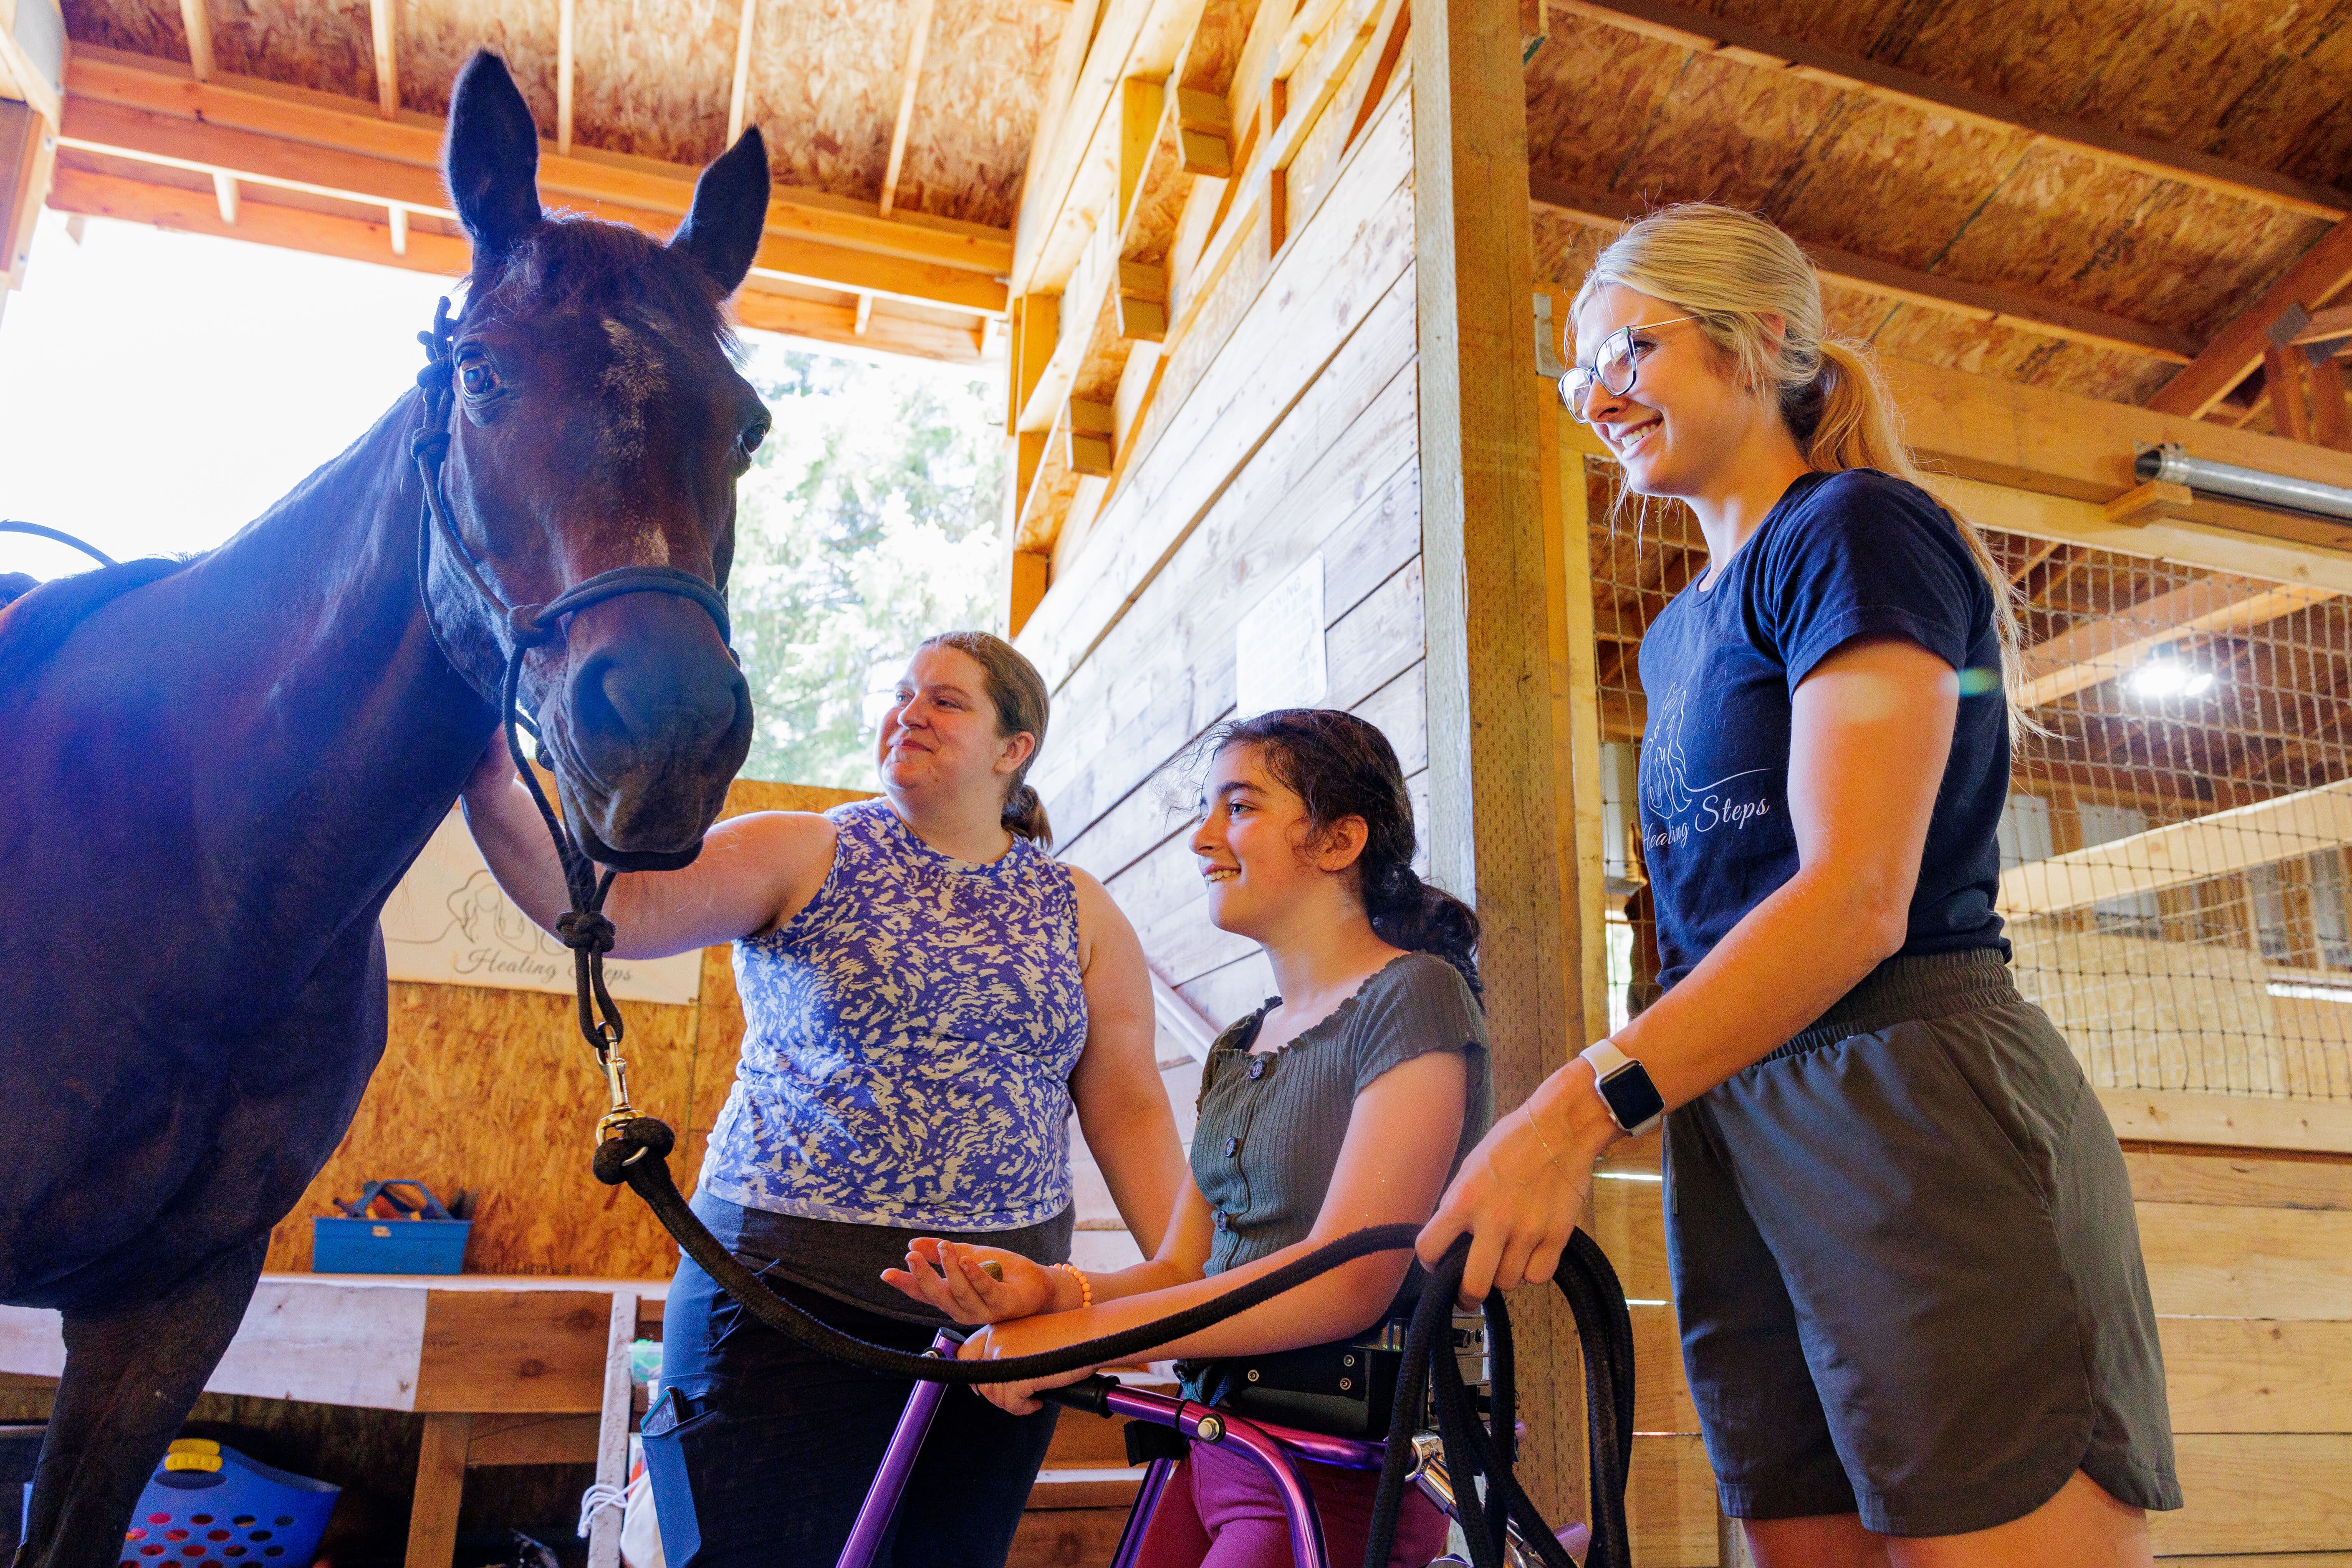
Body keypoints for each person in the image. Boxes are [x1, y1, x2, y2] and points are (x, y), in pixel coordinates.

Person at [1415, 203, 2181, 1568]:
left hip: (1907, 1094)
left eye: (1632, 347)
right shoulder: (1672, 634)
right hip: (1736, 1121)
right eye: (1579, 368)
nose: (1598, 390)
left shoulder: (1853, 530)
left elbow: (1851, 897)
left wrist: (1569, 1108)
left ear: (1762, 340)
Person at [460, 630, 1187, 1568]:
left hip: (997, 1330)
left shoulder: (1078, 907)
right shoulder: (808, 847)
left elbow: (1126, 1104)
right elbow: (621, 912)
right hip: (780, 1304)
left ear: (1015, 748)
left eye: (947, 699)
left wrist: (1193, 1285)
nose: (909, 711)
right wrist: (491, 791)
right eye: (901, 692)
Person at [884, 708, 1488, 1568]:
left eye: (1237, 807)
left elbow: (1350, 1276)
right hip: (1213, 1447)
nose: (1203, 838)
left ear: (1339, 839)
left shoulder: (1414, 996)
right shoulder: (1238, 1044)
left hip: (1334, 1475)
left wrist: (1087, 1343)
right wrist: (1054, 1293)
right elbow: (1180, 1271)